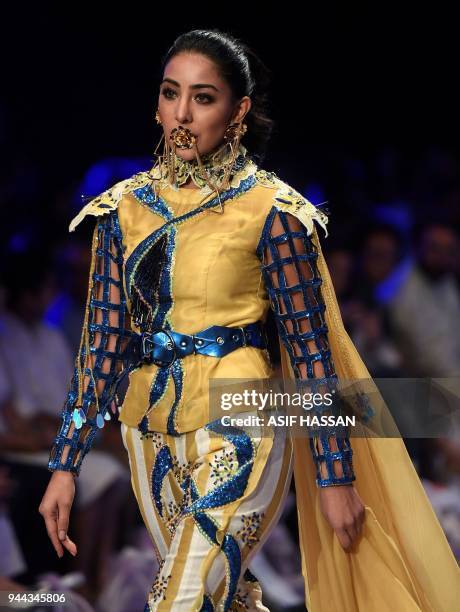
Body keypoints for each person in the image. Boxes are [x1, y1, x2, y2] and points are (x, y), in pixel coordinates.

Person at [39, 29, 460, 611]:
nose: (182, 113)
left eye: (203, 97)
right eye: (170, 93)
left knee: (177, 601)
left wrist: (336, 476)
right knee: (219, 601)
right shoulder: (122, 210)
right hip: (147, 432)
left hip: (243, 420)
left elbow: (311, 352)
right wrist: (66, 463)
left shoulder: (272, 210)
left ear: (237, 111)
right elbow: (102, 344)